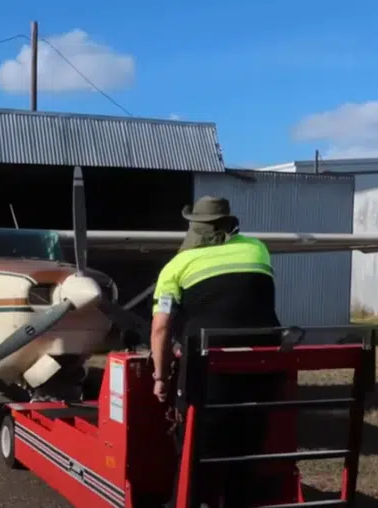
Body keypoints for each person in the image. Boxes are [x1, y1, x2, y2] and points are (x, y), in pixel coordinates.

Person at [149, 196, 285, 507]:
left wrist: (160, 377)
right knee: (246, 445)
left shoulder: (177, 265)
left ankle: (186, 501)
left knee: (195, 448)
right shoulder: (258, 248)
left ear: (195, 228)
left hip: (210, 369)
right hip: (263, 364)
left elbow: (160, 329)